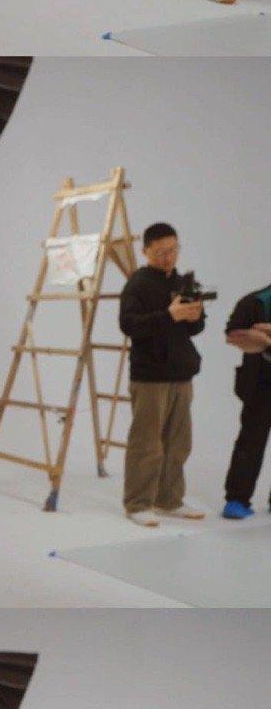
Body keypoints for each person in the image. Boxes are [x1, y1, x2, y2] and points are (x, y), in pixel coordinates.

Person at [118, 223, 206, 527]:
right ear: (146, 251)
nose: (168, 257)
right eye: (161, 252)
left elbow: (194, 329)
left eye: (173, 250)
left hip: (181, 373)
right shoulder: (137, 284)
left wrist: (195, 316)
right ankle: (138, 504)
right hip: (150, 376)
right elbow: (129, 325)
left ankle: (169, 500)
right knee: (147, 443)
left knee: (178, 442)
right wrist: (169, 315)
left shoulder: (182, 282)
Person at [222, 282, 271, 519]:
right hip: (260, 383)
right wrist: (252, 337)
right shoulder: (255, 301)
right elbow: (232, 333)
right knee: (251, 441)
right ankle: (237, 498)